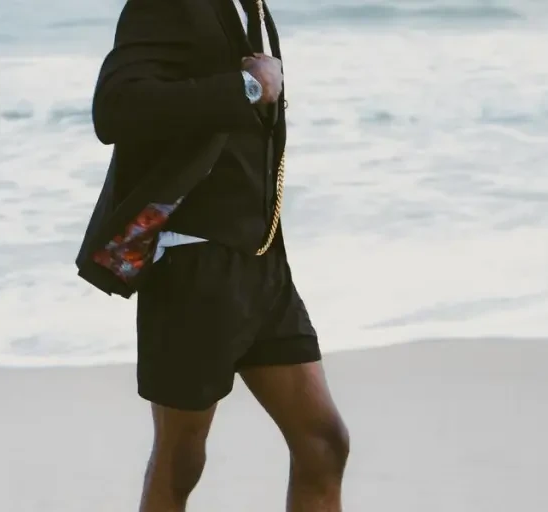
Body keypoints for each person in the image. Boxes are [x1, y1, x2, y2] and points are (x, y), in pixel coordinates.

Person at [77, 0, 349, 510]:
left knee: (323, 443)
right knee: (182, 459)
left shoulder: (253, 7)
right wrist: (245, 87)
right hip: (194, 266)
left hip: (264, 261)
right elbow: (116, 107)